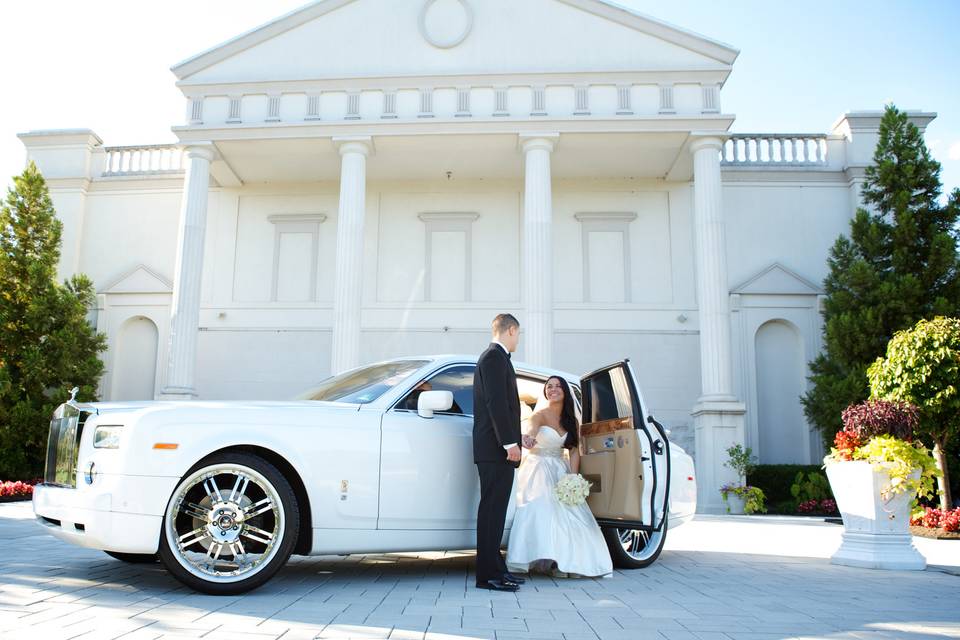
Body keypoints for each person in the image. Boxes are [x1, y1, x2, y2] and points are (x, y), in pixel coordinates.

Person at [506, 375, 613, 578]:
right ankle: (548, 558)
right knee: (543, 508)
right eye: (549, 387)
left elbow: (573, 450)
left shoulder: (571, 420)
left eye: (557, 386)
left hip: (560, 469)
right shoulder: (539, 415)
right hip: (537, 468)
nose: (552, 390)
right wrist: (527, 438)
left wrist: (572, 477)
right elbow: (531, 430)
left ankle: (570, 562)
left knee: (572, 513)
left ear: (565, 391)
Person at [472, 313, 526, 591]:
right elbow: (496, 404)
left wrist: (519, 438)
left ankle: (498, 569)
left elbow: (506, 407)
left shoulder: (498, 358)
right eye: (519, 334)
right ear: (511, 330)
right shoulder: (493, 358)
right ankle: (487, 576)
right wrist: (509, 444)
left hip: (497, 449)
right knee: (491, 512)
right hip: (495, 450)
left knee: (496, 512)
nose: (519, 339)